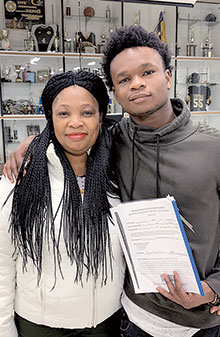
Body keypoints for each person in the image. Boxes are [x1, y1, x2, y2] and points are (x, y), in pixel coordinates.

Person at [3, 25, 220, 337]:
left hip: (201, 324)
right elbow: (77, 128)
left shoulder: (213, 148)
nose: (137, 84)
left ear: (168, 76)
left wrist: (214, 290)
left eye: (148, 72)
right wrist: (34, 145)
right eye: (124, 80)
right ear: (116, 94)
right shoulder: (112, 142)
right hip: (132, 318)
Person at [0, 70, 125, 337]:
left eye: (87, 113)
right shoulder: (18, 182)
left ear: (102, 117)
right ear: (50, 118)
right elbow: (2, 265)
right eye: (63, 113)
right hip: (40, 326)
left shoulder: (121, 177)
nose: (75, 123)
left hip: (107, 324)